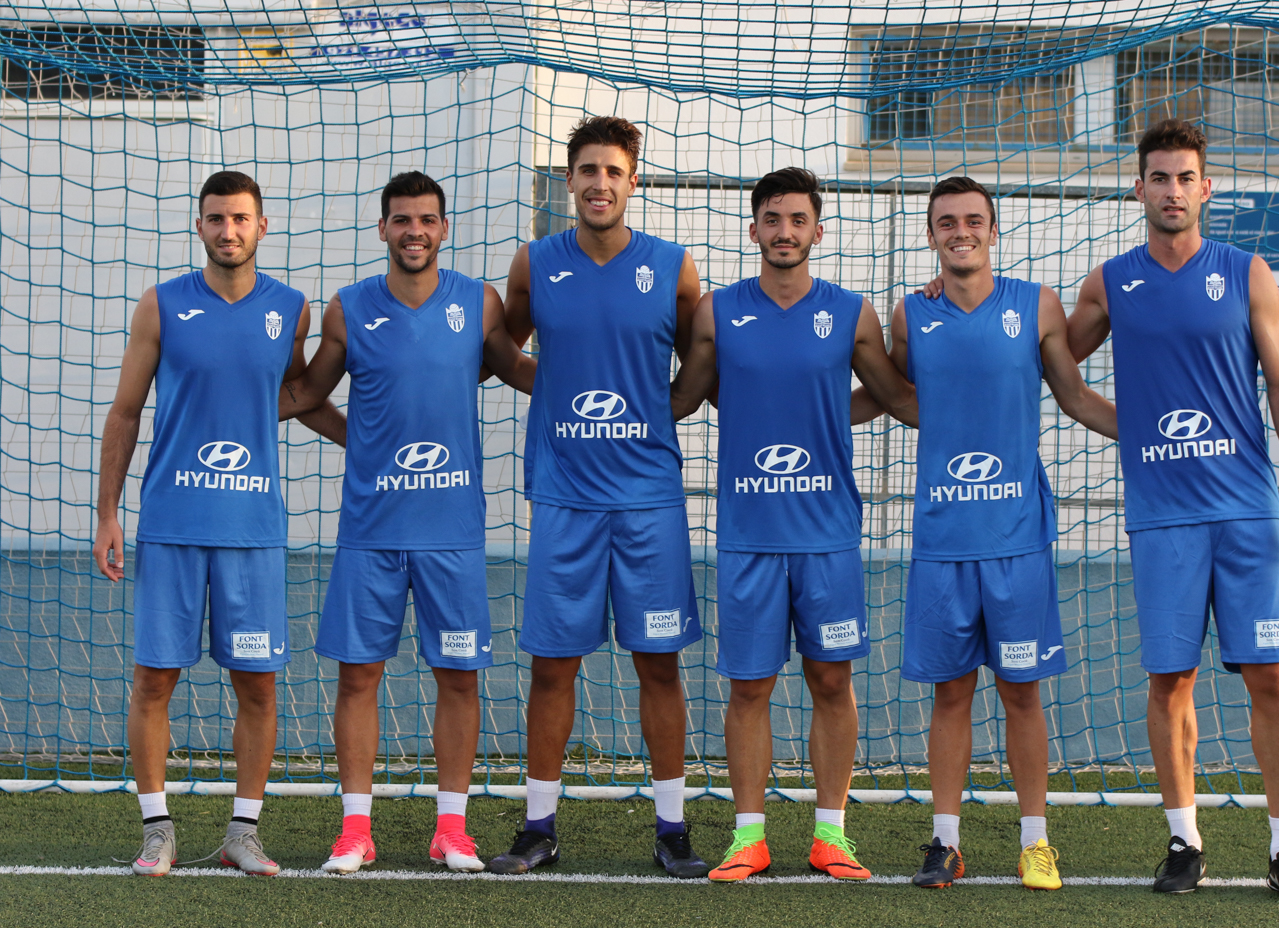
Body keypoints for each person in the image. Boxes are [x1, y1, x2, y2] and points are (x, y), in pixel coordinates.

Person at [1067, 119, 1279, 901]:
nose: (1172, 191)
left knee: (1271, 680)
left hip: (1246, 511)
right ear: (1138, 188)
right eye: (1159, 177)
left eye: (1185, 178)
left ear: (1205, 188)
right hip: (1164, 516)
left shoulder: (1247, 272)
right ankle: (1184, 842)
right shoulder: (1109, 282)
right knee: (1170, 681)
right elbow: (1054, 368)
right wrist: (1135, 427)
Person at [279, 171, 533, 873]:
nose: (414, 231)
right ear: (383, 229)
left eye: (426, 220)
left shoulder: (478, 303)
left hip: (453, 530)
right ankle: (355, 831)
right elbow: (305, 393)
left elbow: (518, 369)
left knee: (459, 678)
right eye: (401, 220)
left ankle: (451, 830)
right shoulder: (349, 307)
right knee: (358, 678)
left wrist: (606, 388)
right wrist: (351, 437)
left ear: (444, 228)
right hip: (372, 530)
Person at [94, 170, 346, 877]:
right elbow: (125, 411)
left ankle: (243, 833)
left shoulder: (290, 309)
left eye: (240, 218)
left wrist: (365, 439)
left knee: (257, 685)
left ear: (262, 226)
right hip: (172, 523)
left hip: (253, 528)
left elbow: (293, 394)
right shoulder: (161, 304)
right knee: (154, 681)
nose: (228, 230)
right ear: (198, 225)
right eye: (216, 218)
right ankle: (157, 832)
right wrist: (108, 512)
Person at [670, 168, 918, 881]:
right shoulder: (717, 311)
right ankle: (748, 837)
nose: (785, 232)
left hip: (827, 535)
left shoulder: (851, 313)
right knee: (749, 687)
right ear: (753, 229)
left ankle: (830, 835)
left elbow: (895, 396)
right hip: (749, 534)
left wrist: (987, 402)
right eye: (772, 220)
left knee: (832, 682)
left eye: (797, 220)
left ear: (818, 230)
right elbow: (684, 398)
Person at [488, 117, 709, 878]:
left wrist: (660, 410)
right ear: (570, 180)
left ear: (633, 181)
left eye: (613, 171)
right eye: (587, 170)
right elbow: (503, 346)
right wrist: (549, 389)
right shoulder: (536, 262)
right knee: (553, 667)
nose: (599, 184)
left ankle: (673, 828)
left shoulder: (672, 267)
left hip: (648, 500)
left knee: (659, 665)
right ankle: (538, 827)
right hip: (565, 498)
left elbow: (700, 358)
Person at [893, 177, 1118, 890]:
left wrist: (1148, 435)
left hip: (1018, 538)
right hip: (943, 538)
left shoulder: (1037, 304)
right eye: (946, 222)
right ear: (932, 235)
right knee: (950, 694)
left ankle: (1035, 842)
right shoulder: (910, 315)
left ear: (994, 231)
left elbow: (1074, 395)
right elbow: (896, 397)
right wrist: (801, 414)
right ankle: (944, 842)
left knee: (1022, 693)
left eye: (973, 220)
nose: (960, 231)